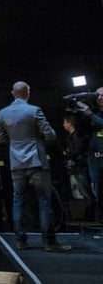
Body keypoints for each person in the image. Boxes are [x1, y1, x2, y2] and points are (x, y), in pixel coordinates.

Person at [0, 81, 70, 251]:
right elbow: (50, 135)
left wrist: (15, 142)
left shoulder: (2, 113)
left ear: (13, 93)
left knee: (18, 201)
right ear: (27, 93)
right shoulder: (34, 110)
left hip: (16, 163)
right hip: (36, 161)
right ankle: (48, 241)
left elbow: (0, 138)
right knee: (44, 201)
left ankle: (21, 241)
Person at [75, 86, 103, 222]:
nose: (100, 98)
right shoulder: (93, 112)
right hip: (95, 159)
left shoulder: (93, 114)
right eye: (97, 95)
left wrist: (90, 114)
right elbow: (81, 133)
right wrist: (79, 114)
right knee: (99, 191)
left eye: (102, 95)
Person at [61, 115, 94, 220]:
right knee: (83, 189)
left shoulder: (77, 136)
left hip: (80, 165)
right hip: (78, 164)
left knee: (85, 189)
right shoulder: (72, 136)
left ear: (70, 123)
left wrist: (71, 159)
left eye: (65, 122)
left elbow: (78, 149)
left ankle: (90, 214)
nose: (63, 125)